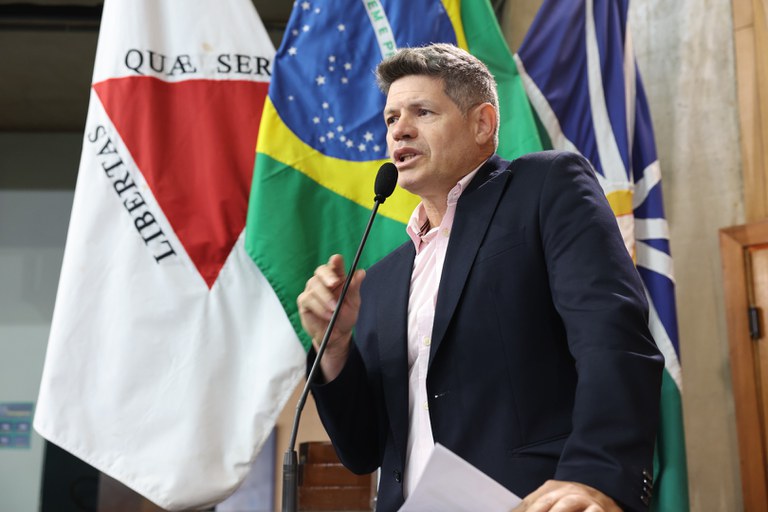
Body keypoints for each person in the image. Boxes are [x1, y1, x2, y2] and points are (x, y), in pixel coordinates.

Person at [297, 43, 663, 512]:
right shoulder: (384, 280)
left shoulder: (543, 189)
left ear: (482, 124)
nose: (399, 130)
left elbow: (612, 338)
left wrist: (594, 477)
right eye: (391, 119)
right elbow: (363, 449)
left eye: (422, 112)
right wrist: (333, 347)